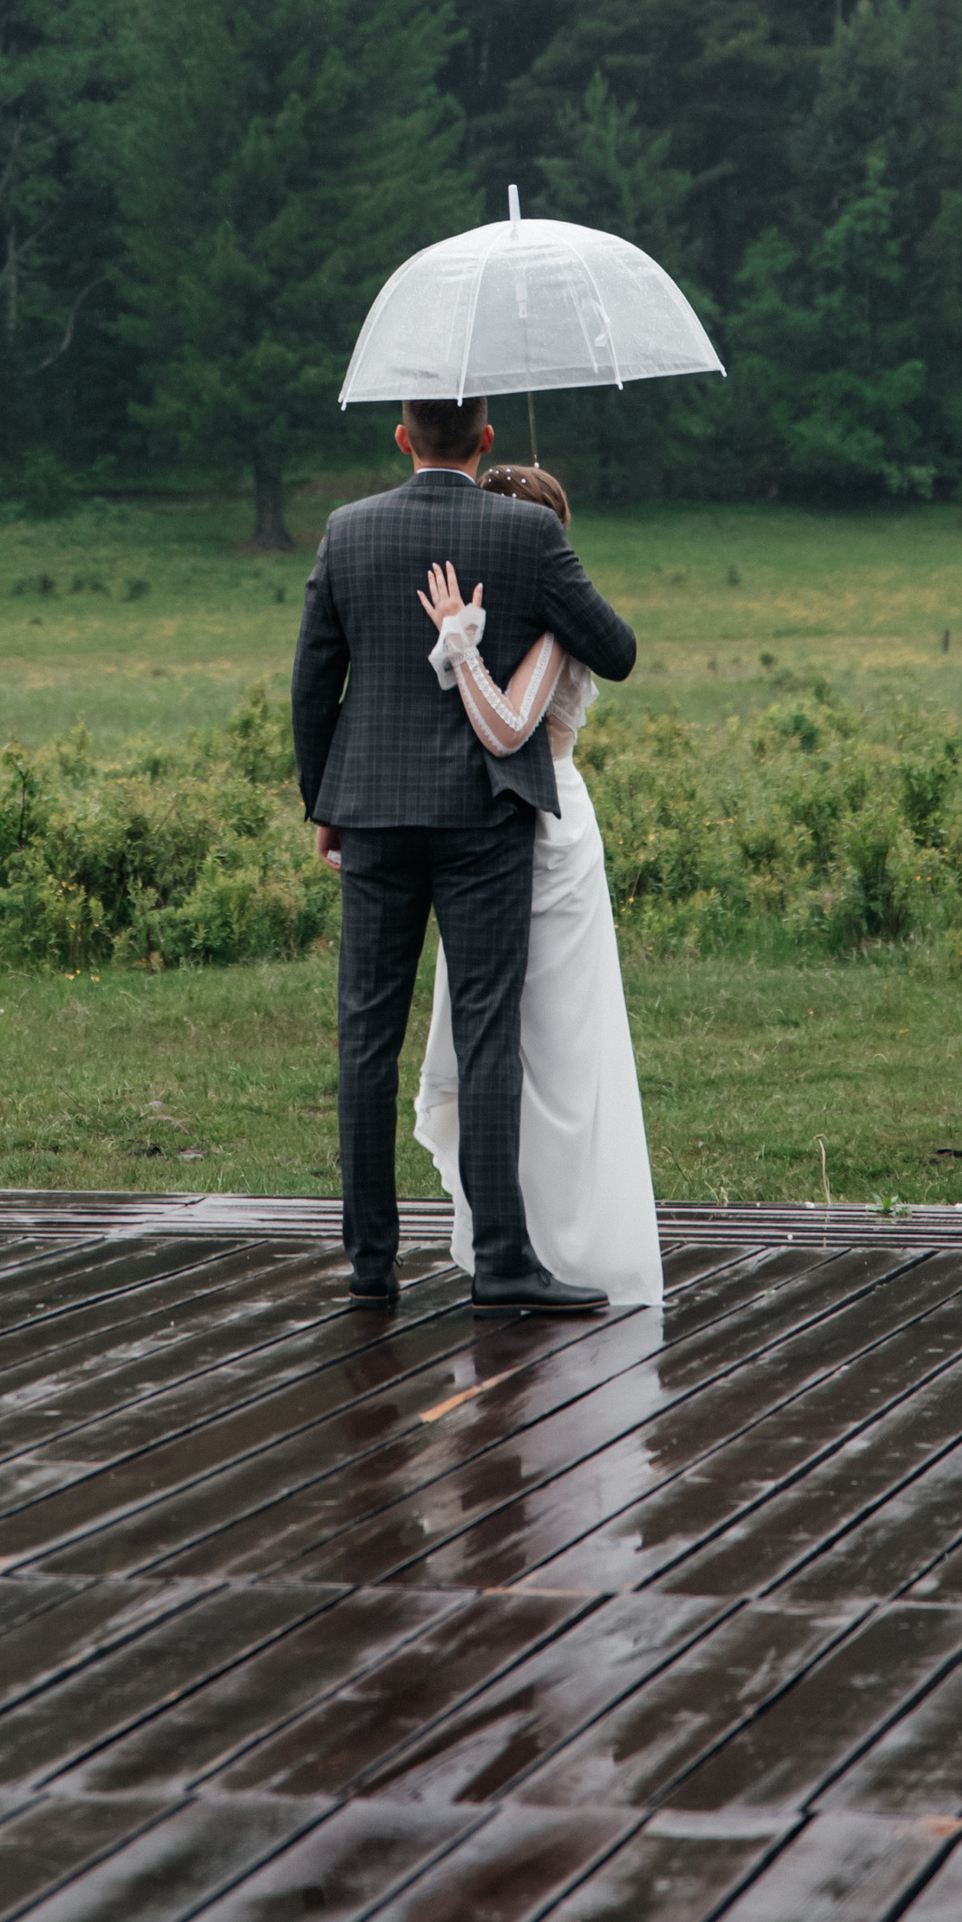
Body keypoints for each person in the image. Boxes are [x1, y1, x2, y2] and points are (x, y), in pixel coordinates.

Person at [292, 393, 638, 1314]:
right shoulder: (529, 533)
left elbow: (314, 678)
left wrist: (323, 803)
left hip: (369, 812)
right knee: (488, 1034)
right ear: (485, 439)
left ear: (402, 438)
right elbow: (618, 650)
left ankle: (371, 1265)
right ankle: (502, 1261)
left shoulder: (346, 529)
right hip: (487, 820)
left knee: (366, 1035)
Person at [410, 462, 663, 1308]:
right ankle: (505, 1233)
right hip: (480, 838)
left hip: (548, 835)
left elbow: (509, 727)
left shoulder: (555, 623)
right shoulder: (506, 615)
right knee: (493, 1041)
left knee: (555, 1045)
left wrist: (458, 645)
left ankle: (565, 1238)